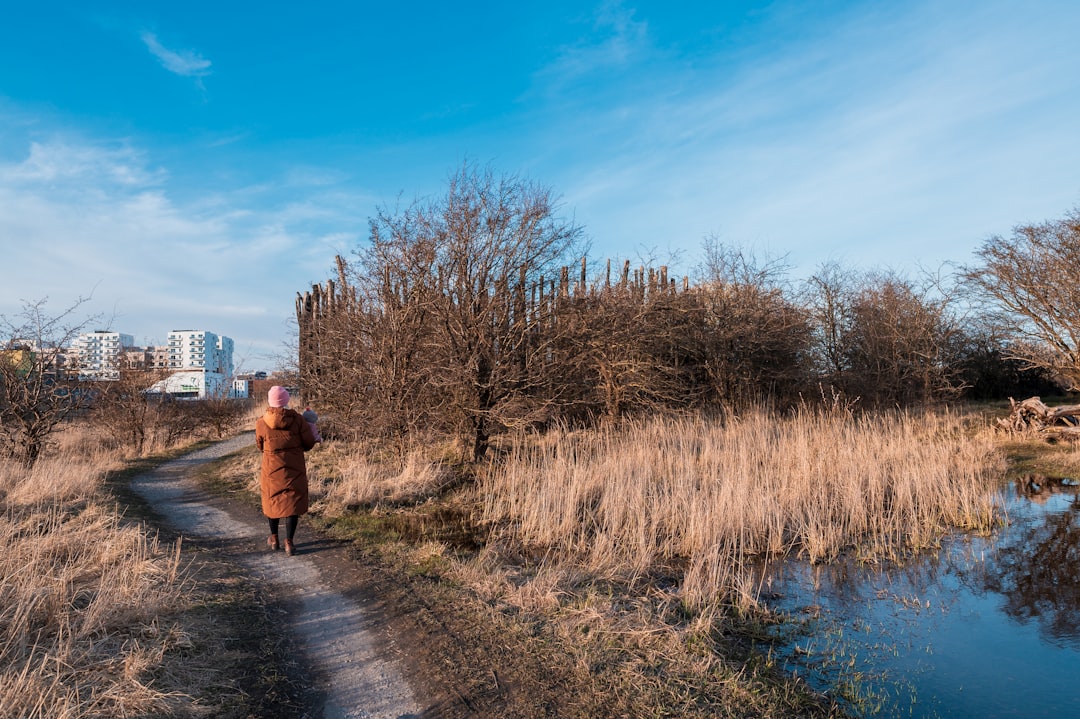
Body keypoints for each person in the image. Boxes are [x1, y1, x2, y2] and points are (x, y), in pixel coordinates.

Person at [255, 385, 316, 555]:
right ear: (286, 400)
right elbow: (309, 443)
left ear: (270, 401)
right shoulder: (297, 420)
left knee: (272, 500)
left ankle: (274, 537)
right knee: (292, 502)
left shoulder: (261, 422)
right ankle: (289, 541)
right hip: (294, 468)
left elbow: (260, 445)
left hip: (272, 469)